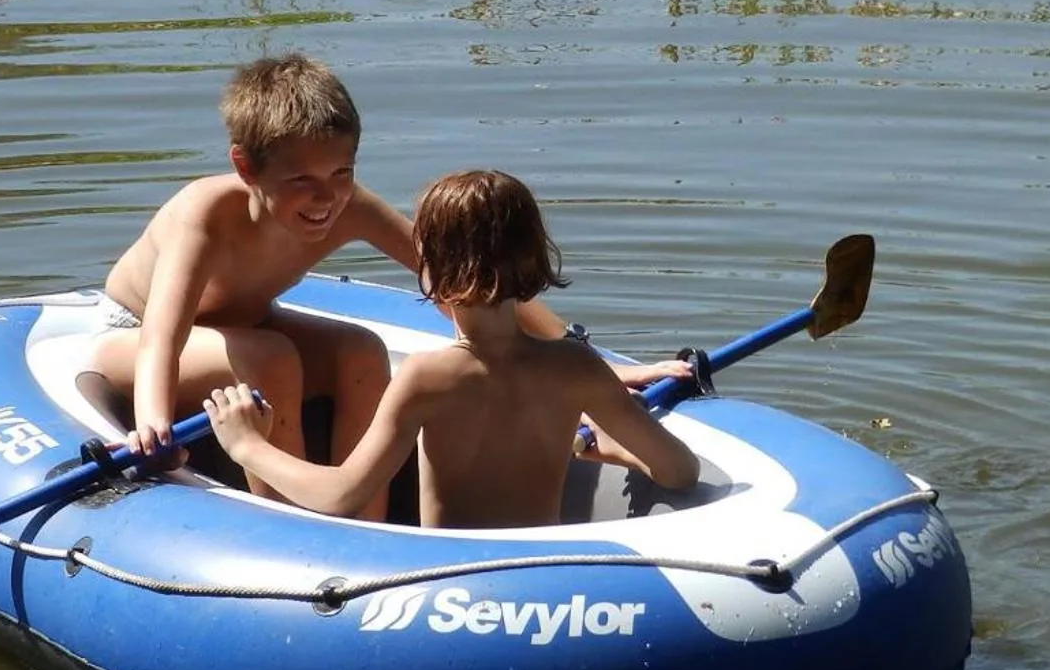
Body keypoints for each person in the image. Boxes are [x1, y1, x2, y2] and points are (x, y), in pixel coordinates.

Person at [94, 56, 688, 519]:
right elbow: (162, 338)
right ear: (247, 168)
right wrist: (152, 425)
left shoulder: (349, 206)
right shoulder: (206, 215)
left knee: (361, 351)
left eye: (342, 172)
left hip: (246, 324)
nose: (326, 197)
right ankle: (286, 521)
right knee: (270, 357)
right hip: (135, 336)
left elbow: (468, 272)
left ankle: (366, 526)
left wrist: (600, 365)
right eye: (301, 180)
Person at [202, 169, 700, 529]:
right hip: (540, 572)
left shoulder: (427, 378)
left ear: (432, 271)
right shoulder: (577, 368)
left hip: (455, 582)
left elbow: (342, 494)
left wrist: (247, 445)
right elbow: (680, 471)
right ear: (532, 258)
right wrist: (616, 453)